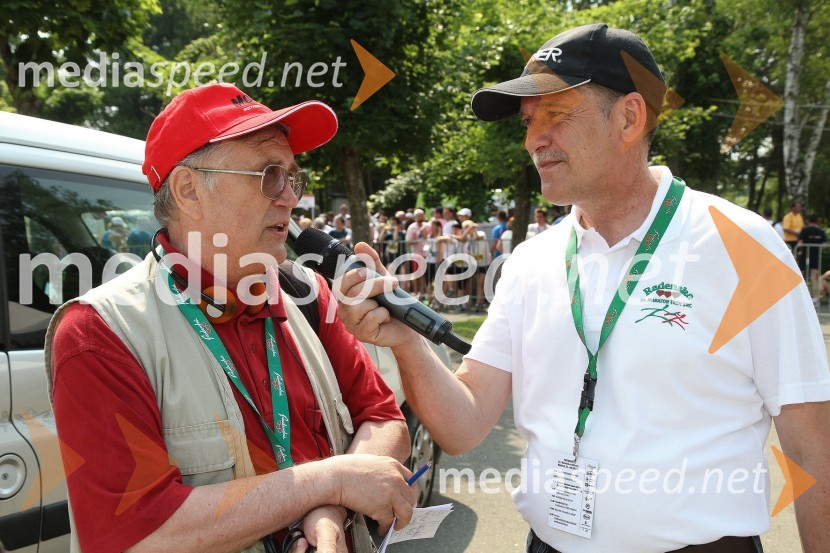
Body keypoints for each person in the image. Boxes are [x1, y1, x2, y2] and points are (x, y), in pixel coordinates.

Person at [335, 23, 830, 553]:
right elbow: (464, 424)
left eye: (556, 116)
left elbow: (812, 449)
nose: (533, 141)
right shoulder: (531, 262)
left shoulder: (743, 244)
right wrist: (407, 340)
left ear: (630, 117)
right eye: (528, 122)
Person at [45, 83, 416, 553]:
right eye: (268, 174)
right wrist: (331, 481)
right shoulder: (98, 333)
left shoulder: (307, 293)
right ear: (187, 190)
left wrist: (328, 508)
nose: (289, 198)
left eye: (292, 178)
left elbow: (385, 419)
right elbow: (135, 534)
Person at [798, 213, 827, 306]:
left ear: (808, 220)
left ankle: (799, 297)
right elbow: (824, 245)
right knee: (814, 277)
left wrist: (800, 251)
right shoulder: (820, 231)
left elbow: (800, 243)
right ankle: (816, 298)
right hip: (816, 256)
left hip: (805, 256)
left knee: (800, 276)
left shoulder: (805, 230)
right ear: (816, 220)